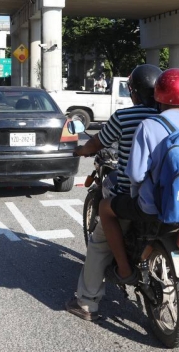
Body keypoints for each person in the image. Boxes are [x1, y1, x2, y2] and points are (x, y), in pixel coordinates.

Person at [98, 68, 179, 286]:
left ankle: (124, 269)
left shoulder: (148, 126)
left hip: (151, 207)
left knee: (105, 208)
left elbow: (136, 174)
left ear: (159, 95)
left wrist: (139, 200)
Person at [65, 64, 161, 321]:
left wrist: (81, 150)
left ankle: (86, 303)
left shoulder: (125, 117)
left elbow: (97, 142)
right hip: (169, 195)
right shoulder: (172, 115)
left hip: (135, 196)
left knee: (99, 242)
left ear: (134, 92)